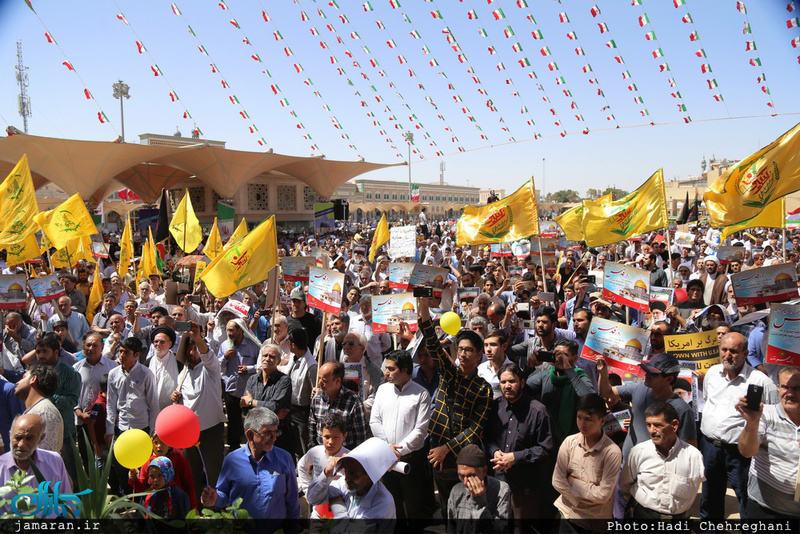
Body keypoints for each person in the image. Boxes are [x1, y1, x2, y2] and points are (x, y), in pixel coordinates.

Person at [418, 296, 493, 519]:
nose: (462, 354)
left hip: (462, 456)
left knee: (466, 506)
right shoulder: (448, 372)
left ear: (479, 355)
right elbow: (431, 341)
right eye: (459, 349)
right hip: (436, 450)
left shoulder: (484, 389)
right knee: (446, 506)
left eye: (468, 350)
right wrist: (422, 306)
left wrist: (447, 449)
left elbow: (474, 428)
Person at [699, 331, 778, 520]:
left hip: (741, 454)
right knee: (710, 496)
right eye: (724, 350)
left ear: (744, 354)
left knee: (746, 497)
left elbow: (773, 417)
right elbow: (707, 400)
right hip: (710, 448)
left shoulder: (760, 381)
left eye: (733, 351)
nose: (727, 355)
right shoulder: (712, 373)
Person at [201, 407, 301, 531]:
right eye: (268, 433)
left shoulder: (284, 458)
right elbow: (224, 494)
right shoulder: (232, 460)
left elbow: (292, 500)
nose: (274, 438)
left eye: (276, 432)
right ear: (250, 434)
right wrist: (214, 499)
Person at [370, 349, 434, 528]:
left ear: (405, 369)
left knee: (414, 507)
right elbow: (374, 421)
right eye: (386, 368)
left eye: (391, 369)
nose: (386, 373)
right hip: (386, 459)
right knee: (391, 503)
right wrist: (387, 448)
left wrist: (399, 450)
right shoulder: (382, 390)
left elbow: (420, 430)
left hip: (411, 460)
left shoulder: (421, 394)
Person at [486, 364, 554, 530]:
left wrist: (515, 458)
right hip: (498, 480)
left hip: (525, 486)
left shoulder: (538, 411)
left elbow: (546, 448)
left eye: (512, 381)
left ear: (522, 383)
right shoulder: (495, 406)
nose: (507, 386)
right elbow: (488, 437)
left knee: (523, 528)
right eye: (503, 382)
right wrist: (495, 451)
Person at [171, 322, 226, 506]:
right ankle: (195, 508)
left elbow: (208, 355)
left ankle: (217, 509)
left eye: (196, 349)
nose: (193, 352)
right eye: (190, 349)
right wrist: (176, 397)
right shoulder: (183, 374)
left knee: (213, 473)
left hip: (211, 430)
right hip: (189, 433)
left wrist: (197, 338)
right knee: (192, 473)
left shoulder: (211, 368)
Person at [619, 402, 705, 520]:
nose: (652, 431)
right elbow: (625, 485)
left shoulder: (693, 456)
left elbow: (694, 488)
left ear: (674, 425)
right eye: (648, 425)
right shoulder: (638, 452)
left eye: (658, 425)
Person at [736, 366, 800, 519]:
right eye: (785, 387)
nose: (790, 394)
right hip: (764, 512)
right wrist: (752, 423)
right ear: (778, 388)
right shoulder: (765, 415)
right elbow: (746, 451)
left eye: (797, 388)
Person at [553, 393, 621, 534]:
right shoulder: (569, 442)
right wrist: (577, 498)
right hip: (568, 514)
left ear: (602, 420)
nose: (582, 424)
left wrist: (572, 481)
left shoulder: (612, 452)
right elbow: (557, 480)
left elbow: (603, 495)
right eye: (579, 417)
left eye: (588, 419)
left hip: (595, 521)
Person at [306, 437, 396, 532]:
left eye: (354, 474)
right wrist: (327, 473)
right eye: (346, 470)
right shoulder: (344, 483)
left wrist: (338, 506)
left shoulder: (382, 505)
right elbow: (313, 498)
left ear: (370, 475)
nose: (347, 477)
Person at [106, 337, 160, 495]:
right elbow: (111, 403)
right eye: (120, 351)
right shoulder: (113, 374)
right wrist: (109, 429)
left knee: (143, 466)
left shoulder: (146, 374)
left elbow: (153, 404)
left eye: (126, 352)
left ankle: (143, 498)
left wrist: (153, 432)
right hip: (122, 428)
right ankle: (127, 498)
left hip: (141, 427)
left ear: (136, 354)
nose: (122, 355)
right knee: (122, 467)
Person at [0, 414, 74, 518]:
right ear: (10, 435)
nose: (21, 444)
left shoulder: (54, 461)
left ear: (41, 439)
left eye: (29, 438)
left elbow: (67, 502)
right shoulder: (1, 466)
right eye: (18, 437)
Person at [525, 338, 594, 445]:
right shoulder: (545, 375)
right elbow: (522, 389)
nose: (559, 358)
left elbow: (589, 399)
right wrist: (529, 368)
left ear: (575, 358)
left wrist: (568, 369)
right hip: (546, 438)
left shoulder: (579, 376)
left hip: (573, 440)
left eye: (564, 355)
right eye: (556, 354)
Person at [447, 443, 511, 534]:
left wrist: (480, 502)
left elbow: (500, 529)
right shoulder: (456, 491)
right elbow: (451, 527)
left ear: (484, 471)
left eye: (471, 475)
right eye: (461, 476)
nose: (465, 482)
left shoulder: (501, 490)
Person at [297, 414, 350, 519]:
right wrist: (307, 489)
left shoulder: (348, 457)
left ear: (344, 436)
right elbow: (301, 466)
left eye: (336, 437)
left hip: (341, 509)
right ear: (321, 434)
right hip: (318, 510)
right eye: (327, 437)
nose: (330, 442)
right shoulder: (315, 452)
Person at [218, 319, 260, 451]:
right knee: (233, 419)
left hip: (248, 391)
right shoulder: (225, 345)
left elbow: (260, 365)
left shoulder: (252, 346)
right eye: (228, 330)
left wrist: (249, 369)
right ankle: (233, 446)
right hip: (231, 389)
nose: (229, 333)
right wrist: (225, 357)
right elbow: (217, 366)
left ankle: (253, 443)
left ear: (240, 330)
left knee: (251, 419)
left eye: (232, 330)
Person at [241, 343, 291, 449]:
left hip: (276, 436)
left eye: (272, 356)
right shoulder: (252, 380)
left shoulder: (284, 380)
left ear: (278, 361)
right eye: (265, 355)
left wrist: (251, 402)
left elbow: (273, 407)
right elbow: (246, 409)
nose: (267, 359)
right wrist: (273, 412)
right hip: (256, 435)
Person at [309, 361, 368, 451]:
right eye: (319, 378)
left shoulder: (354, 402)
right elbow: (312, 429)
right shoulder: (317, 398)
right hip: (321, 452)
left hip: (345, 454)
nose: (320, 383)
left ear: (337, 380)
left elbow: (361, 437)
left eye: (324, 380)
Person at [130, 434, 196, 511]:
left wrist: (193, 508)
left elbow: (189, 485)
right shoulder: (147, 463)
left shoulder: (180, 461)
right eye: (155, 442)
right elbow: (143, 488)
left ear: (169, 444)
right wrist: (133, 479)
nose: (159, 446)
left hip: (176, 504)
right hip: (154, 505)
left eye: (163, 442)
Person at [14, 365, 63, 453]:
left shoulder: (44, 412)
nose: (17, 382)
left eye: (23, 377)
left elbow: (46, 455)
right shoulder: (36, 410)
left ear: (33, 379)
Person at [286, 328, 317, 461]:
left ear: (293, 345)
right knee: (295, 442)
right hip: (291, 409)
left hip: (303, 412)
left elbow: (315, 392)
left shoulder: (311, 366)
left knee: (304, 443)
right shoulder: (294, 359)